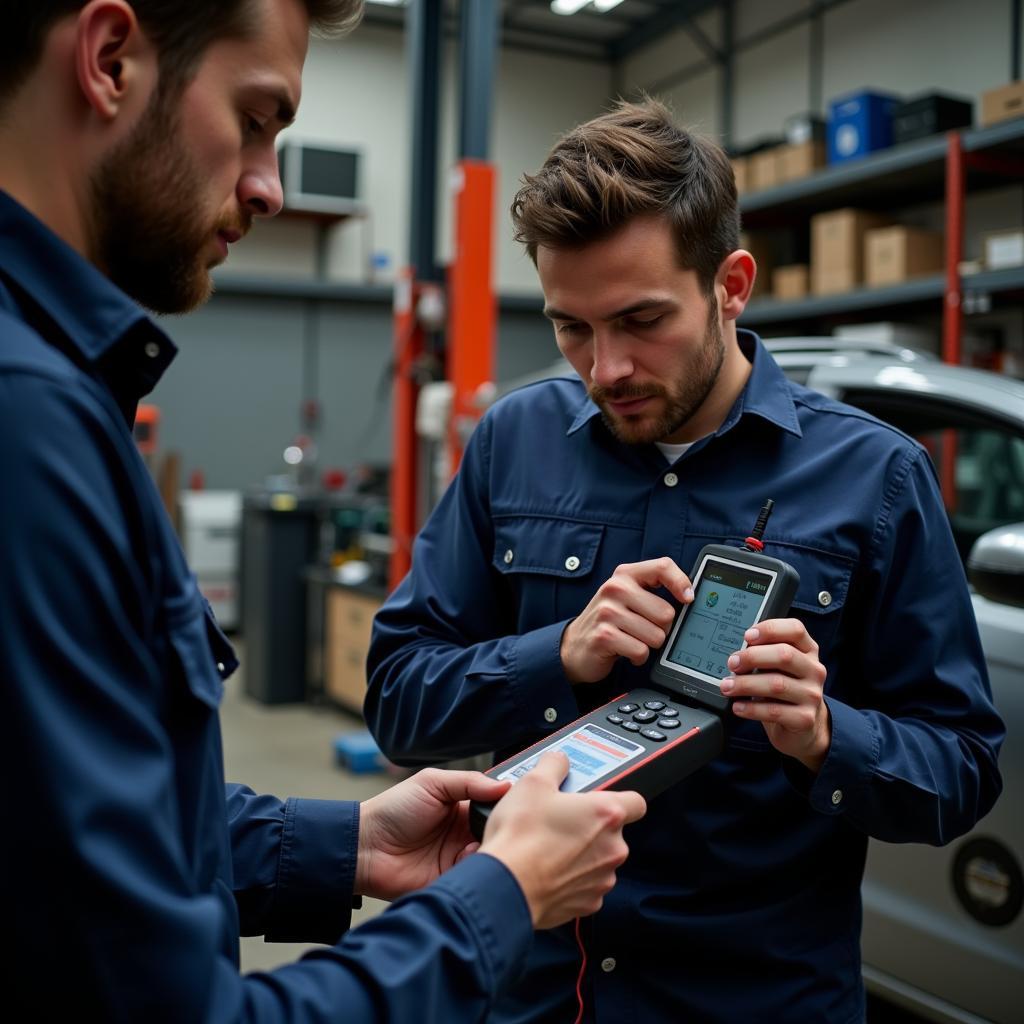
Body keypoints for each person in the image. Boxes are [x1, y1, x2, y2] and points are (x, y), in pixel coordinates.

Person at [0, 3, 647, 1021]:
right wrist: (499, 897)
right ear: (109, 58)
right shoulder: (31, 422)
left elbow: (62, 835)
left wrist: (340, 844)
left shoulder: (51, 402)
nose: (269, 183)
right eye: (257, 119)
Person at [365, 98, 1005, 1024]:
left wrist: (826, 735)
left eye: (640, 320)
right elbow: (396, 695)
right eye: (571, 328)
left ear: (731, 283)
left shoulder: (878, 479)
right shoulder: (515, 443)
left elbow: (961, 769)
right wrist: (557, 653)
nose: (606, 368)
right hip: (536, 995)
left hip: (755, 1000)